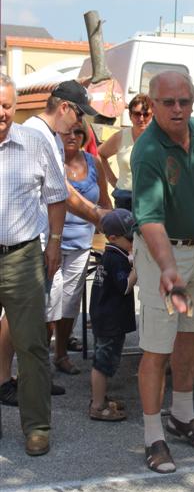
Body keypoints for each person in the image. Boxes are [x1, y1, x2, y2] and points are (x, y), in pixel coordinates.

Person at [131, 70, 194, 474]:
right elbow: (149, 219)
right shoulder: (147, 150)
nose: (178, 109)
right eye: (168, 102)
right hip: (162, 257)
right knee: (157, 349)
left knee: (192, 338)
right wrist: (169, 268)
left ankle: (182, 415)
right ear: (152, 105)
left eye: (185, 101)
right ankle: (154, 436)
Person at [0, 79, 109, 406]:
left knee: (37, 317)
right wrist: (101, 217)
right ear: (64, 107)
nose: (80, 123)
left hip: (39, 243)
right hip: (26, 246)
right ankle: (6, 379)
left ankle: (29, 378)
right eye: (79, 115)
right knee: (15, 319)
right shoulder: (37, 134)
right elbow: (64, 194)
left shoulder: (46, 135)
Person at [0, 75, 67, 456]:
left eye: (7, 105)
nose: (2, 112)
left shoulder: (33, 142)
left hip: (22, 256)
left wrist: (54, 242)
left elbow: (56, 196)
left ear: (15, 107)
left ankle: (37, 427)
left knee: (31, 345)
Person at [53, 120, 112, 375]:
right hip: (50, 243)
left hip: (81, 244)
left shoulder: (93, 163)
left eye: (79, 132)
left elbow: (104, 201)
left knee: (69, 302)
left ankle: (61, 353)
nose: (73, 135)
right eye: (69, 130)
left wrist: (114, 232)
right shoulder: (52, 159)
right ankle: (36, 362)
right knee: (48, 302)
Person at [89, 209, 137, 422]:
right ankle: (98, 406)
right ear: (113, 238)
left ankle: (101, 398)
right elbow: (125, 286)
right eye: (131, 238)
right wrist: (137, 266)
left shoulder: (112, 254)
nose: (134, 241)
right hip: (110, 320)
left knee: (104, 360)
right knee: (103, 363)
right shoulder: (116, 259)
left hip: (105, 316)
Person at [98, 93, 152, 210]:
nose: (141, 118)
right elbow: (100, 154)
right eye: (137, 114)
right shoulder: (121, 136)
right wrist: (113, 181)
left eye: (146, 114)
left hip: (149, 200)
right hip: (124, 200)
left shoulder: (158, 139)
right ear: (130, 115)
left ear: (152, 115)